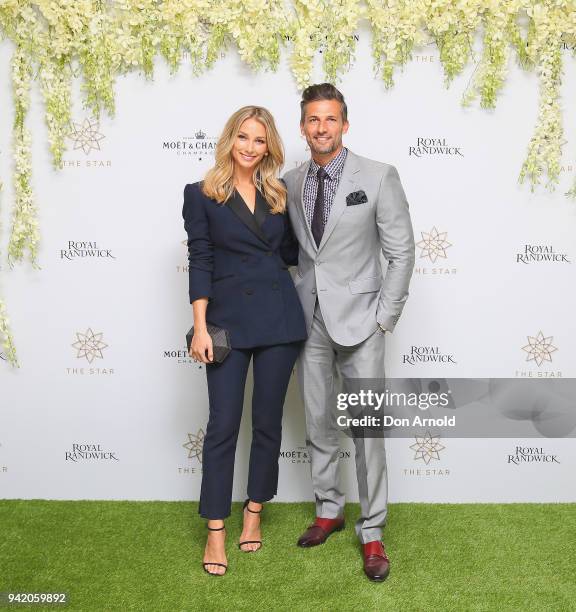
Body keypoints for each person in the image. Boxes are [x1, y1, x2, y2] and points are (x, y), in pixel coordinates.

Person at [282, 83, 415, 582]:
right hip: (308, 320)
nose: (322, 128)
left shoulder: (379, 176)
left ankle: (373, 530)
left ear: (344, 124)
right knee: (317, 421)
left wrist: (385, 319)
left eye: (331, 119)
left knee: (366, 431)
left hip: (363, 323)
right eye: (313, 120)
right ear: (303, 126)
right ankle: (328, 509)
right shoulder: (290, 183)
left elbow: (401, 251)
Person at [182, 106, 307, 576]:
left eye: (260, 139)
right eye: (243, 137)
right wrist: (200, 326)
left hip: (279, 320)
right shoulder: (202, 194)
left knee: (268, 422)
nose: (250, 147)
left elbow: (296, 256)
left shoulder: (279, 195)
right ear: (229, 140)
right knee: (223, 425)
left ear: (269, 145)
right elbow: (200, 259)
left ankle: (254, 512)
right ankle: (216, 531)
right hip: (226, 324)